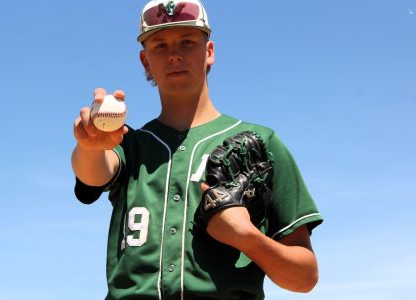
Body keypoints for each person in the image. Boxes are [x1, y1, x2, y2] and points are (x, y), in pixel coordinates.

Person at [71, 0, 323, 299]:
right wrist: (88, 145)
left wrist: (247, 237)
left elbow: (304, 278)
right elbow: (94, 173)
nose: (174, 55)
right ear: (145, 61)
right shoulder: (130, 144)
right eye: (160, 45)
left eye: (187, 42)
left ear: (209, 52)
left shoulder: (260, 143)